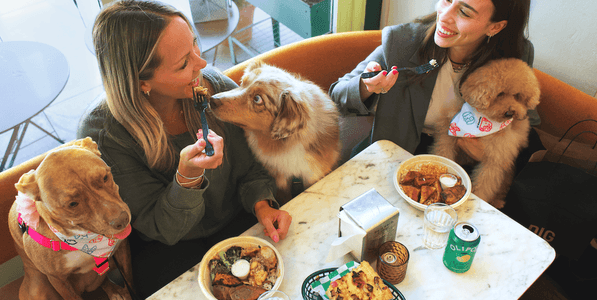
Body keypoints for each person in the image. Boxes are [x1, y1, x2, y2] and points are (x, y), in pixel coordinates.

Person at [77, 0, 292, 298]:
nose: (201, 64)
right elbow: (162, 229)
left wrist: (262, 204)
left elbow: (252, 166)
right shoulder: (105, 135)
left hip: (236, 219)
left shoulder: (212, 88)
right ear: (142, 83)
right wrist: (187, 178)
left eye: (195, 44)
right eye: (182, 63)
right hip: (167, 248)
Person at [330, 0, 543, 167]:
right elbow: (336, 97)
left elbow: (524, 118)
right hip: (398, 153)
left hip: (464, 165)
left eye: (465, 12)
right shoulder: (402, 43)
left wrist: (488, 153)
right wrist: (365, 87)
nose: (445, 16)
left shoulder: (516, 55)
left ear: (495, 27)